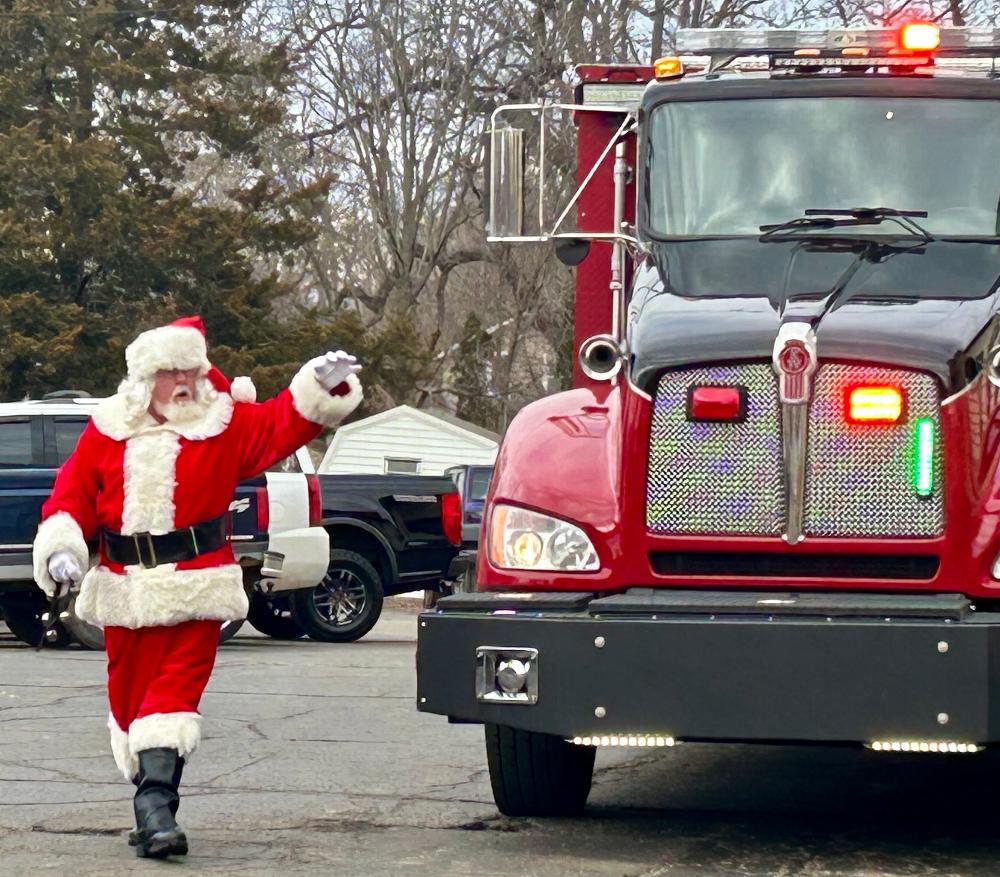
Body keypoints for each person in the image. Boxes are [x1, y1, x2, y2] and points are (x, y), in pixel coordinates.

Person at [31, 315, 362, 859]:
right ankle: (151, 807)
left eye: (192, 368)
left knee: (175, 693)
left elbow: (282, 421)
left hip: (197, 585)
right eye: (172, 372)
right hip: (125, 590)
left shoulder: (222, 423)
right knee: (131, 702)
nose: (185, 381)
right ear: (146, 378)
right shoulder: (107, 428)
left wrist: (319, 387)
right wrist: (64, 546)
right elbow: (70, 496)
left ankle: (157, 810)